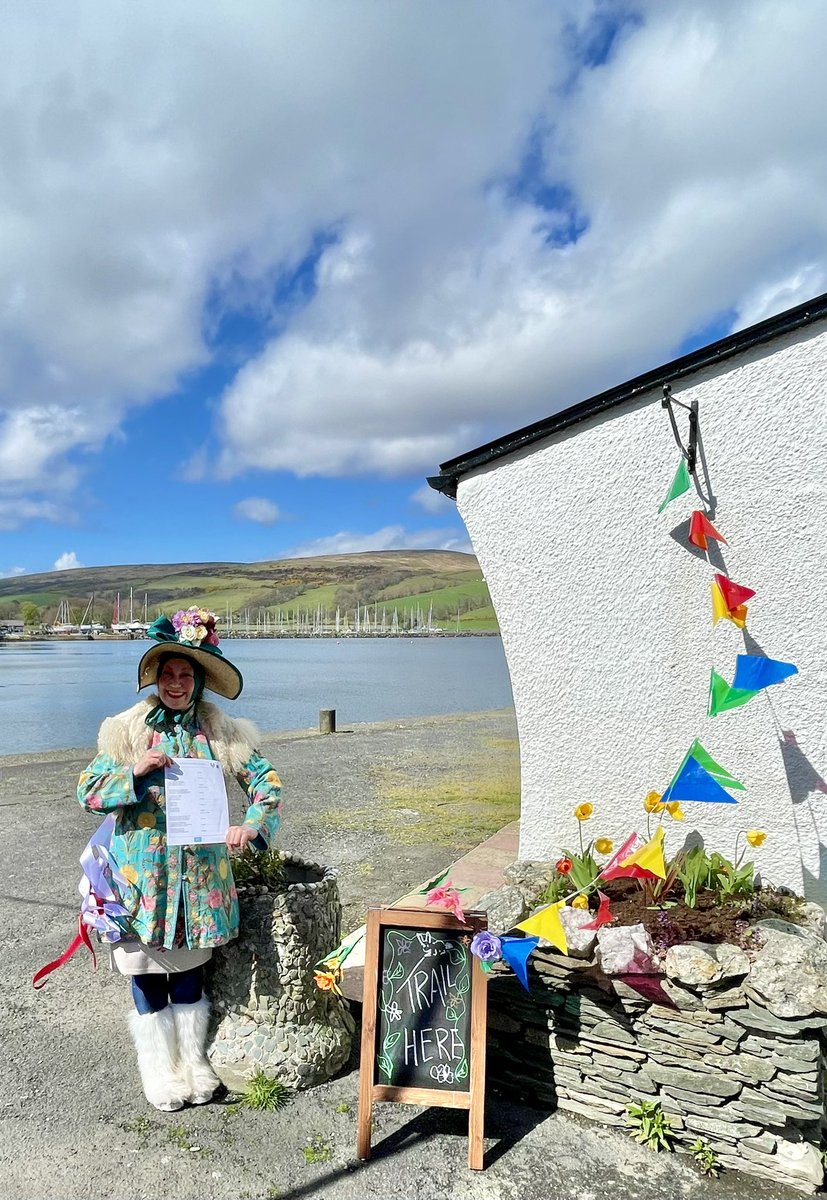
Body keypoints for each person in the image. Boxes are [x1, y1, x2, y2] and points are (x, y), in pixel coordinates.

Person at [77, 607, 283, 1112]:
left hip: (198, 880)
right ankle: (158, 1071)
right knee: (146, 973)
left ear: (198, 681)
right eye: (167, 674)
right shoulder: (126, 732)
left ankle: (193, 1062)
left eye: (185, 675)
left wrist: (252, 825)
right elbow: (88, 791)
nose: (175, 683)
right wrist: (136, 773)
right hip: (141, 879)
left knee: (190, 973)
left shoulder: (223, 734)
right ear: (157, 678)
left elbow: (267, 785)